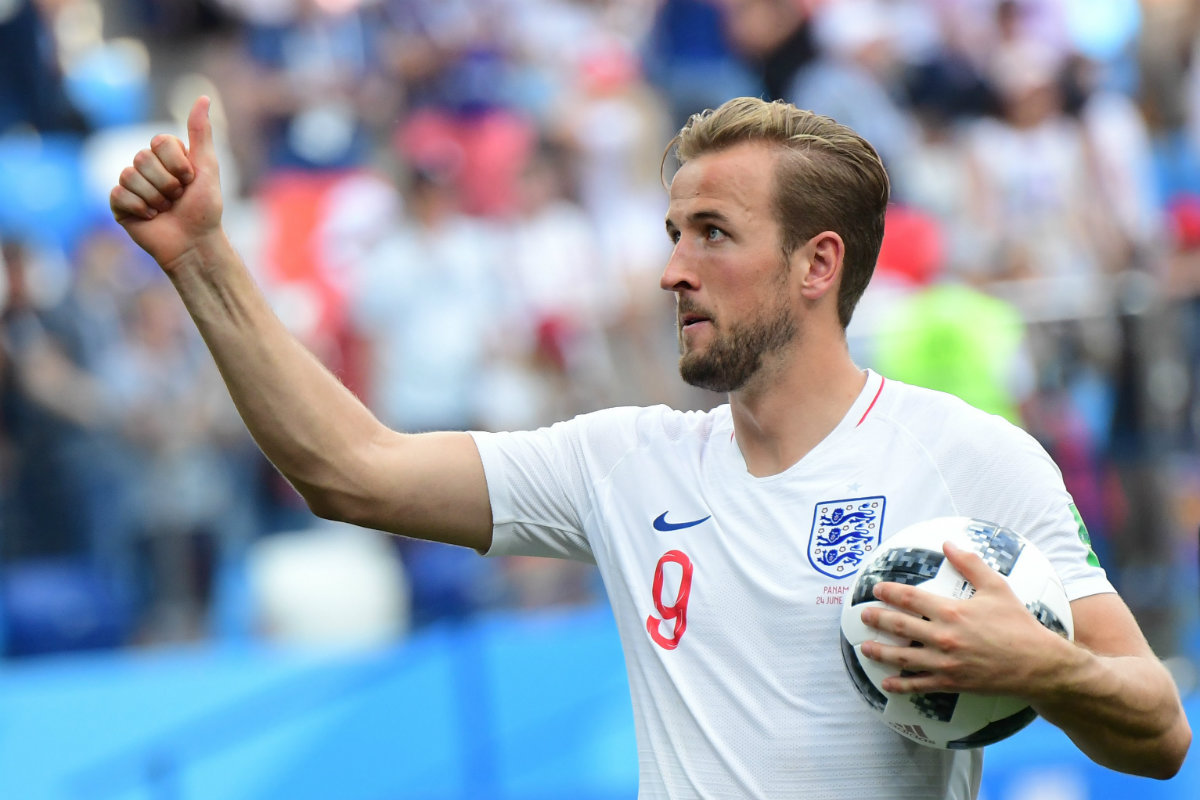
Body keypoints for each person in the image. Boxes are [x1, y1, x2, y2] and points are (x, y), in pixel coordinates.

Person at [108, 95, 1190, 798]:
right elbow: (349, 470)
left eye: (711, 233)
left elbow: (1160, 727)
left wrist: (1040, 663)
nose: (673, 268)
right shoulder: (626, 462)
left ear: (818, 265)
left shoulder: (967, 457)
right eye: (673, 233)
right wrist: (203, 258)